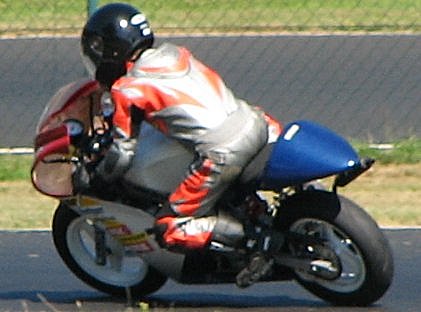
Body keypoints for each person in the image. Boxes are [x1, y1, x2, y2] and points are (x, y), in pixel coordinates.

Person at [80, 3, 282, 286]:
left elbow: (123, 153)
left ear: (111, 49)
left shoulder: (127, 89)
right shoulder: (174, 53)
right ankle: (258, 212)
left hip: (223, 151)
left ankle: (254, 239)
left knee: (169, 228)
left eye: (98, 49)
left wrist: (98, 179)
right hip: (257, 121)